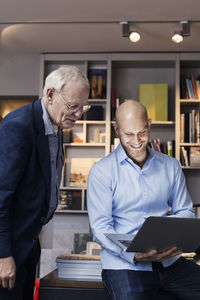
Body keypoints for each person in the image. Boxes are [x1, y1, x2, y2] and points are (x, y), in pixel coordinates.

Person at [87, 100, 200, 300]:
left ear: (149, 125)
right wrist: (135, 255)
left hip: (169, 262)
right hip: (125, 265)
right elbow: (101, 228)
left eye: (142, 132)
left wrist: (168, 240)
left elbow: (186, 212)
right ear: (116, 129)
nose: (137, 140)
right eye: (128, 134)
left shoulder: (171, 166)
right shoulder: (101, 171)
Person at [0, 65, 90, 300]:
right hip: (10, 248)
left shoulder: (55, 124)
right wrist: (3, 255)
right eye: (73, 106)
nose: (79, 114)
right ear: (50, 95)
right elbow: (0, 195)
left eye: (83, 107)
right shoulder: (18, 126)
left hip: (28, 242)